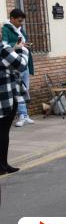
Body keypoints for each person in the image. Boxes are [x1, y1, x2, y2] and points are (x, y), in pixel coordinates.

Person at [0, 25, 29, 173]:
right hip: (6, 97)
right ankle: (2, 165)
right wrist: (23, 49)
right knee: (3, 131)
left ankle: (4, 164)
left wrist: (16, 49)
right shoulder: (3, 49)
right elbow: (21, 65)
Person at [2, 9, 34, 127]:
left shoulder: (20, 29)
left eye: (22, 21)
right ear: (12, 19)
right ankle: (21, 115)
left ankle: (25, 114)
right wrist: (16, 46)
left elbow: (22, 42)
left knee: (25, 89)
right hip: (14, 63)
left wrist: (25, 45)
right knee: (17, 91)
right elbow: (4, 46)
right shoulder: (6, 29)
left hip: (23, 62)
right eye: (19, 21)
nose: (21, 23)